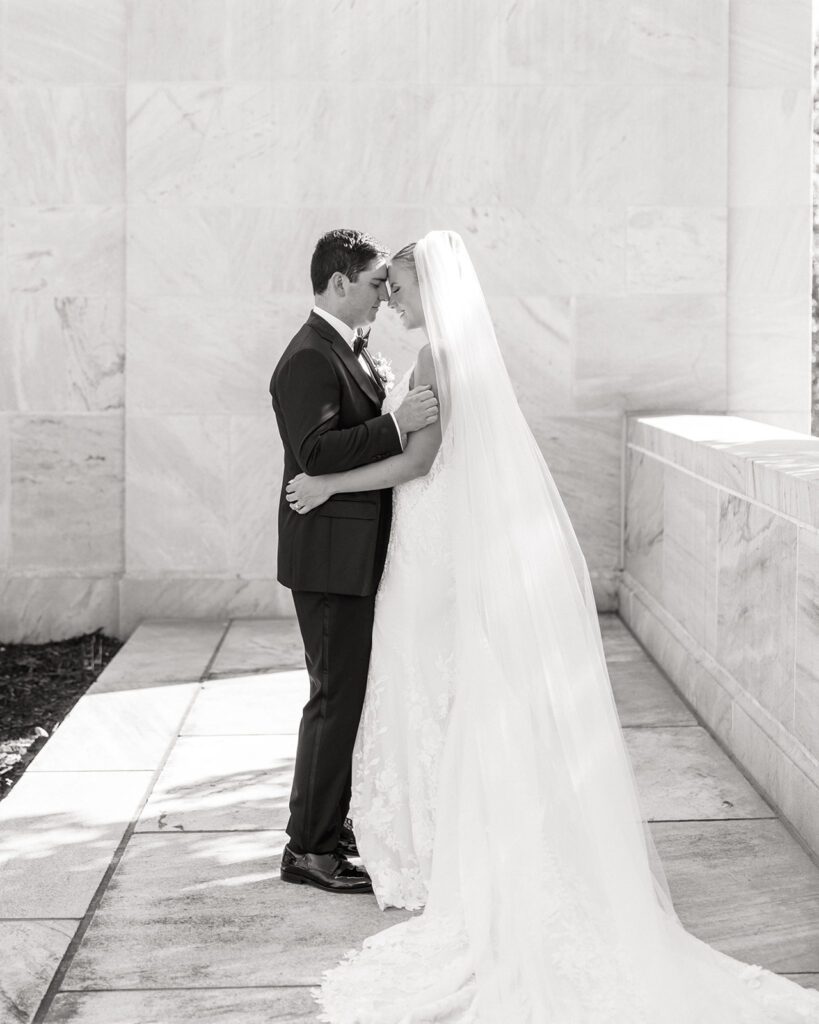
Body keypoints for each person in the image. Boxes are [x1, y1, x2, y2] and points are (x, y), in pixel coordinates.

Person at [285, 230, 819, 1022]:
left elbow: (418, 461)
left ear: (426, 287)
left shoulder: (434, 360)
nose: (389, 298)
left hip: (425, 544)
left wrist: (328, 490)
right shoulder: (450, 354)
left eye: (395, 285)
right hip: (433, 539)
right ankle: (424, 838)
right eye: (382, 285)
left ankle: (427, 848)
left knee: (418, 680)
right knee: (433, 681)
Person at [269, 228, 438, 895]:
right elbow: (316, 453)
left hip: (352, 554)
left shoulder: (347, 350)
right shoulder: (307, 358)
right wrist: (396, 425)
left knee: (344, 698)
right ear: (338, 282)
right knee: (333, 700)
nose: (382, 299)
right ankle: (307, 850)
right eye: (374, 286)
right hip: (327, 559)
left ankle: (324, 825)